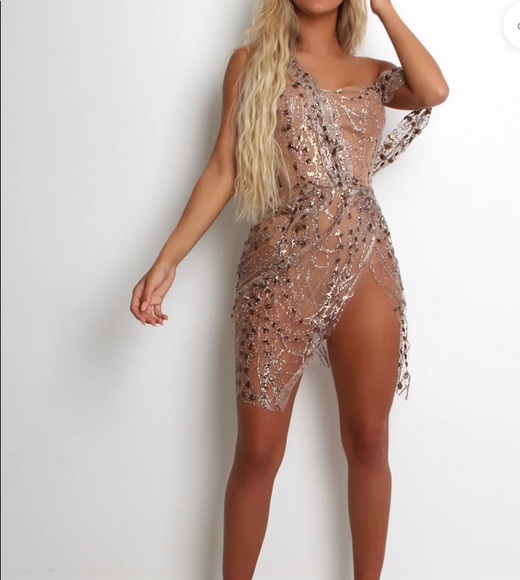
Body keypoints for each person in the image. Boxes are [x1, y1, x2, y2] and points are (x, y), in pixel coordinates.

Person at [130, 0, 448, 577]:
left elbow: (433, 90)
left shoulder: (374, 72)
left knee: (369, 441)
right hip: (277, 271)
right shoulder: (251, 64)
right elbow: (223, 170)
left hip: (365, 264)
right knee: (256, 453)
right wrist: (167, 260)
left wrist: (385, 9)